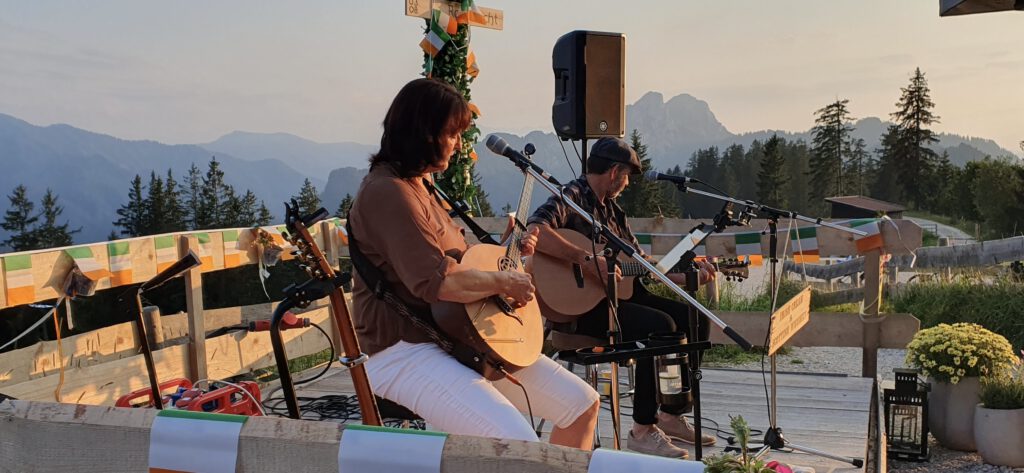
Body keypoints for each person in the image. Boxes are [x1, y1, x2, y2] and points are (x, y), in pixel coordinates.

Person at [347, 78, 600, 449]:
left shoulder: (421, 185)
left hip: (455, 336)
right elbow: (437, 282)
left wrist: (508, 251)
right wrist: (502, 284)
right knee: (517, 444)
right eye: (453, 133)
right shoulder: (388, 192)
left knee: (581, 404)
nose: (459, 143)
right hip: (401, 351)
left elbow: (457, 263)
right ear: (425, 133)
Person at [526, 137, 716, 458]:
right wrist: (586, 260)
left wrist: (686, 276)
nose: (627, 183)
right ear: (614, 171)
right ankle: (642, 429)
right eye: (627, 175)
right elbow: (537, 229)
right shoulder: (571, 196)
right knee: (657, 326)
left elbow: (639, 264)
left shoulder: (615, 214)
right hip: (581, 309)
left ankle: (670, 413)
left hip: (618, 300)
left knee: (693, 319)